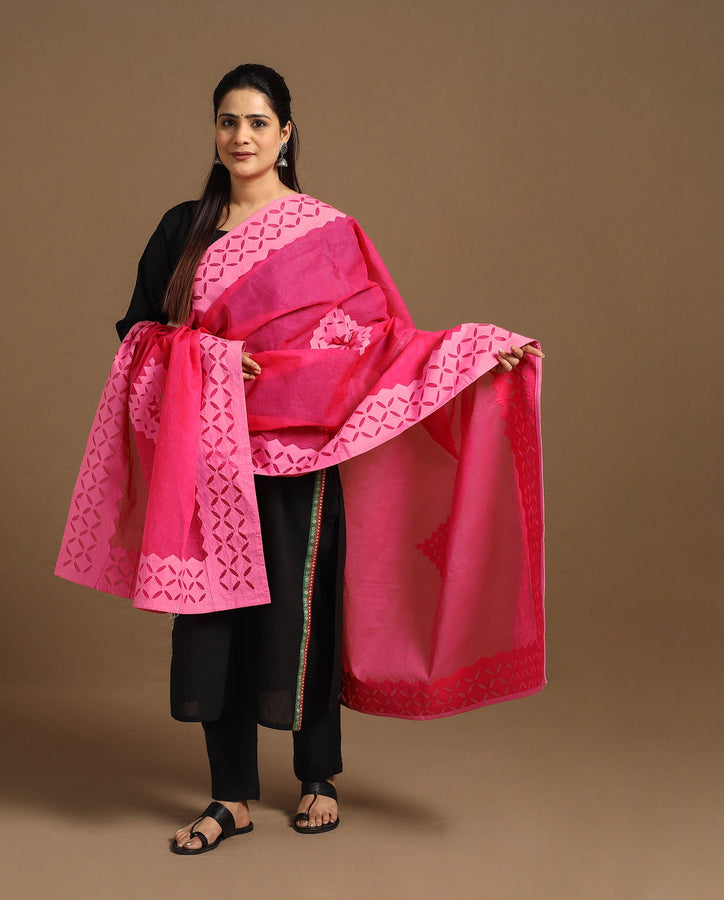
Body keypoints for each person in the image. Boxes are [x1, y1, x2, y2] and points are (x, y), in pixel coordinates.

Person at [55, 63, 545, 856]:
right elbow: (138, 335)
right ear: (215, 132)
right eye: (227, 121)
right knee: (213, 626)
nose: (240, 136)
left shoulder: (328, 234)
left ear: (285, 133)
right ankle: (230, 798)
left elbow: (380, 343)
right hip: (210, 457)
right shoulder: (183, 229)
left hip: (303, 454)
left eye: (257, 122)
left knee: (302, 617)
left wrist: (476, 350)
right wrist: (207, 358)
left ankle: (319, 777)